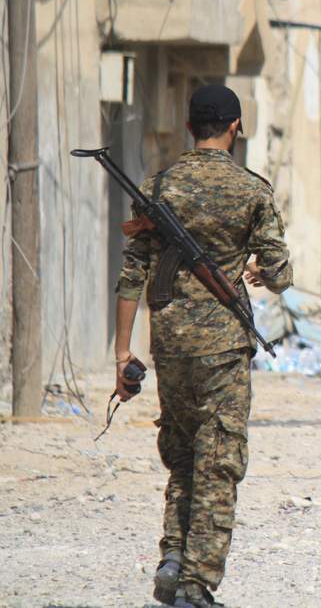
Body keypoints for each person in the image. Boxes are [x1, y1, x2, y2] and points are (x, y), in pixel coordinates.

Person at [114, 84, 292, 608]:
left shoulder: (159, 187)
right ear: (235, 127)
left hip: (169, 343)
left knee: (185, 454)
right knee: (219, 459)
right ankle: (195, 584)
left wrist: (123, 353)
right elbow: (279, 270)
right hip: (222, 346)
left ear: (190, 126)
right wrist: (261, 272)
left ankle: (172, 558)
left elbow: (132, 274)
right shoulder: (251, 190)